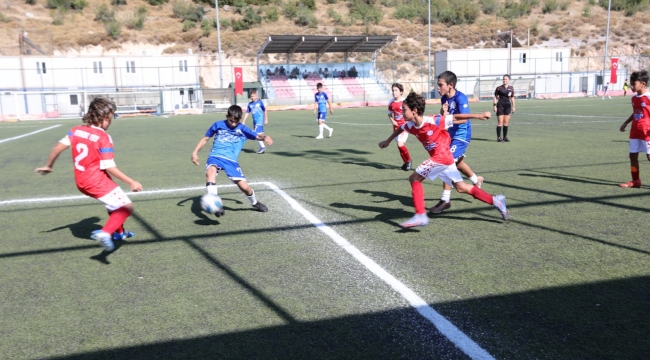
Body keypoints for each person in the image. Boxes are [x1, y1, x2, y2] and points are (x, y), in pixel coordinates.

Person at [378, 92, 508, 228]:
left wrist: (479, 115)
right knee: (462, 187)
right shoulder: (410, 125)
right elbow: (400, 128)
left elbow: (456, 117)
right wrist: (388, 141)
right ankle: (496, 201)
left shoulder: (433, 120)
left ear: (414, 111)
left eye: (404, 110)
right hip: (446, 160)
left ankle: (420, 215)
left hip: (441, 157)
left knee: (414, 179)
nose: (401, 112)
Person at [34, 98, 142, 251]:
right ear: (104, 118)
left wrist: (48, 165)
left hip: (81, 181)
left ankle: (119, 233)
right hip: (96, 180)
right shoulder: (103, 137)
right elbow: (109, 165)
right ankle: (105, 233)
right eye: (110, 119)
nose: (110, 122)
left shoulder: (76, 130)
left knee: (114, 203)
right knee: (126, 207)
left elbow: (57, 148)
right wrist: (130, 181)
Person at [191, 105, 273, 215]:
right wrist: (195, 152)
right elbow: (206, 138)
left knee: (244, 187)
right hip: (215, 156)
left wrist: (265, 137)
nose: (233, 124)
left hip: (231, 161)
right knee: (210, 172)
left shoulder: (242, 128)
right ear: (227, 116)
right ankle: (215, 203)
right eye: (231, 121)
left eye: (236, 121)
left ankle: (254, 202)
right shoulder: (218, 125)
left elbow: (257, 136)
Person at [429, 71, 484, 214]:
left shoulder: (461, 98)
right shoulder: (444, 99)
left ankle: (445, 200)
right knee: (457, 162)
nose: (438, 88)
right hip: (449, 135)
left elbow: (464, 119)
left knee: (446, 161)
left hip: (461, 135)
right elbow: (444, 116)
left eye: (440, 85)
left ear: (450, 85)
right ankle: (475, 179)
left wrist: (448, 118)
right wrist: (443, 113)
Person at [618, 70, 650, 188]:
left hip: (647, 132)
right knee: (633, 156)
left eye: (634, 84)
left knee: (649, 157)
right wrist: (626, 123)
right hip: (635, 131)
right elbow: (636, 113)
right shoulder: (634, 98)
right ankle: (636, 181)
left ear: (643, 83)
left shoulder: (648, 97)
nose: (631, 86)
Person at [387, 83, 412, 171]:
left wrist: (408, 122)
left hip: (404, 126)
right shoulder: (391, 102)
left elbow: (409, 113)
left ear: (401, 92)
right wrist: (393, 121)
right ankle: (405, 163)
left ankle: (409, 161)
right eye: (393, 90)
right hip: (396, 127)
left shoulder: (404, 102)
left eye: (396, 90)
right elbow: (389, 114)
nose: (394, 92)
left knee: (400, 144)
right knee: (399, 146)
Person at [242, 89, 268, 154]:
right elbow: (247, 112)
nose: (252, 97)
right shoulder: (250, 104)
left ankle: (262, 147)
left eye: (253, 96)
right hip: (255, 122)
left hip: (259, 122)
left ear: (256, 96)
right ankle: (264, 144)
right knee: (260, 135)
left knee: (256, 134)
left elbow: (265, 110)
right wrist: (244, 121)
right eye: (251, 96)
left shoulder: (260, 103)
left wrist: (266, 119)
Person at [494, 74, 516, 142]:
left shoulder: (511, 88)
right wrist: (494, 105)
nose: (504, 80)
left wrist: (514, 106)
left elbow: (512, 97)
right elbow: (495, 97)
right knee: (500, 122)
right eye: (503, 79)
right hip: (500, 105)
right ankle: (498, 137)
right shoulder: (499, 88)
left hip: (508, 106)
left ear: (509, 80)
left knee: (506, 122)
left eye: (506, 79)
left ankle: (505, 137)